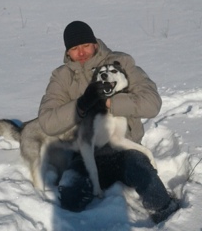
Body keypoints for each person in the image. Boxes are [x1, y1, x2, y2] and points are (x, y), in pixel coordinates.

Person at [38, 21, 180, 223]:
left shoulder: (120, 62)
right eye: (74, 49)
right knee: (70, 197)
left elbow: (152, 103)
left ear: (95, 43)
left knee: (151, 187)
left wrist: (110, 103)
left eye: (85, 45)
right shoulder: (62, 77)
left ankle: (172, 218)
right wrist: (81, 105)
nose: (81, 53)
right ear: (67, 53)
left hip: (125, 150)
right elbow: (47, 122)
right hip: (85, 154)